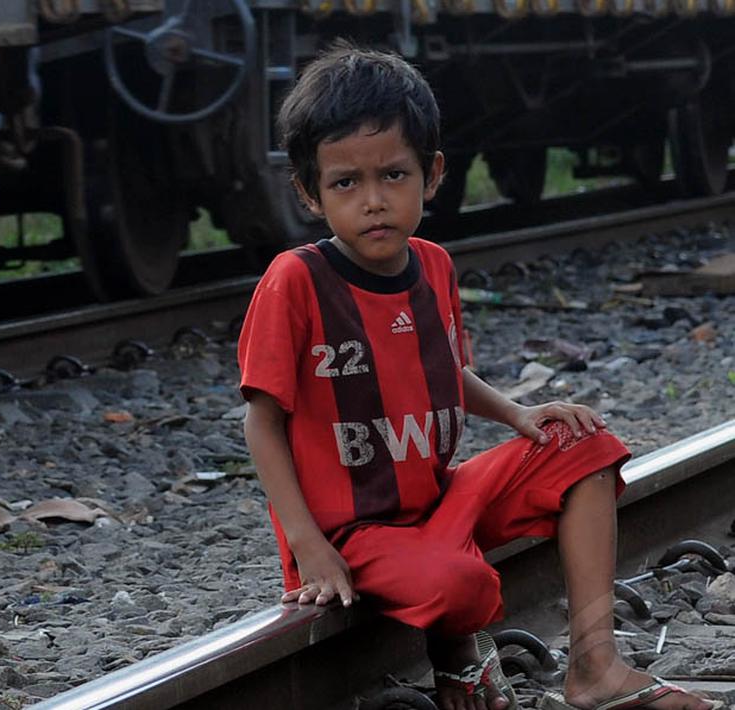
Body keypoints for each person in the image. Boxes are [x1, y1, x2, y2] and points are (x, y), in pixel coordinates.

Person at [238, 40, 721, 710]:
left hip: (437, 501)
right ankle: (457, 658)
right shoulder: (295, 281)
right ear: (308, 194)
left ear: (431, 174)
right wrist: (307, 547)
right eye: (345, 182)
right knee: (465, 587)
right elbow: (261, 421)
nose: (372, 201)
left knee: (585, 445)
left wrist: (521, 417)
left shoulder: (431, 265)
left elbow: (444, 371)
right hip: (353, 533)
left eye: (393, 176)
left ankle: (593, 666)